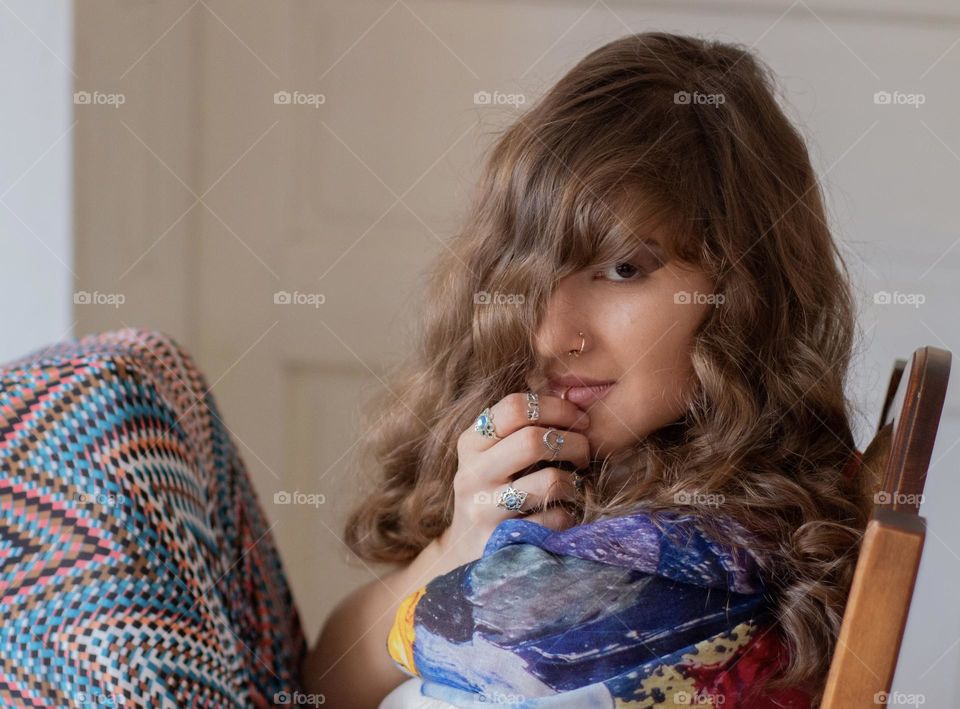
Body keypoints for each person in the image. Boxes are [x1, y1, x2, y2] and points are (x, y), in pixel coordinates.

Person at [301, 31, 873, 707]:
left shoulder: (671, 572)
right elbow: (324, 682)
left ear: (744, 284)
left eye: (623, 269)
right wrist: (451, 548)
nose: (550, 334)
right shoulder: (591, 473)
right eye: (532, 275)